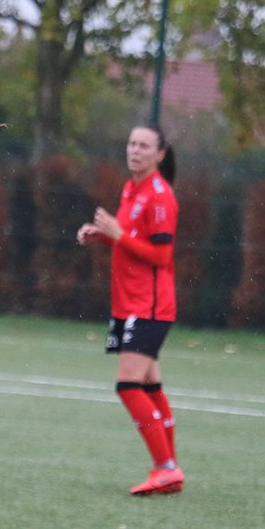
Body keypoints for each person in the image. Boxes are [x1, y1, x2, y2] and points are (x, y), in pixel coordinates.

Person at [76, 124, 183, 496]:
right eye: (132, 143)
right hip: (129, 303)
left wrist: (118, 235)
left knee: (128, 385)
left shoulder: (160, 197)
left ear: (160, 154)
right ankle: (170, 469)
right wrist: (103, 235)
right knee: (150, 387)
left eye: (144, 146)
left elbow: (162, 256)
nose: (135, 150)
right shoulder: (131, 189)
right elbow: (131, 238)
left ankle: (165, 468)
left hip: (150, 305)